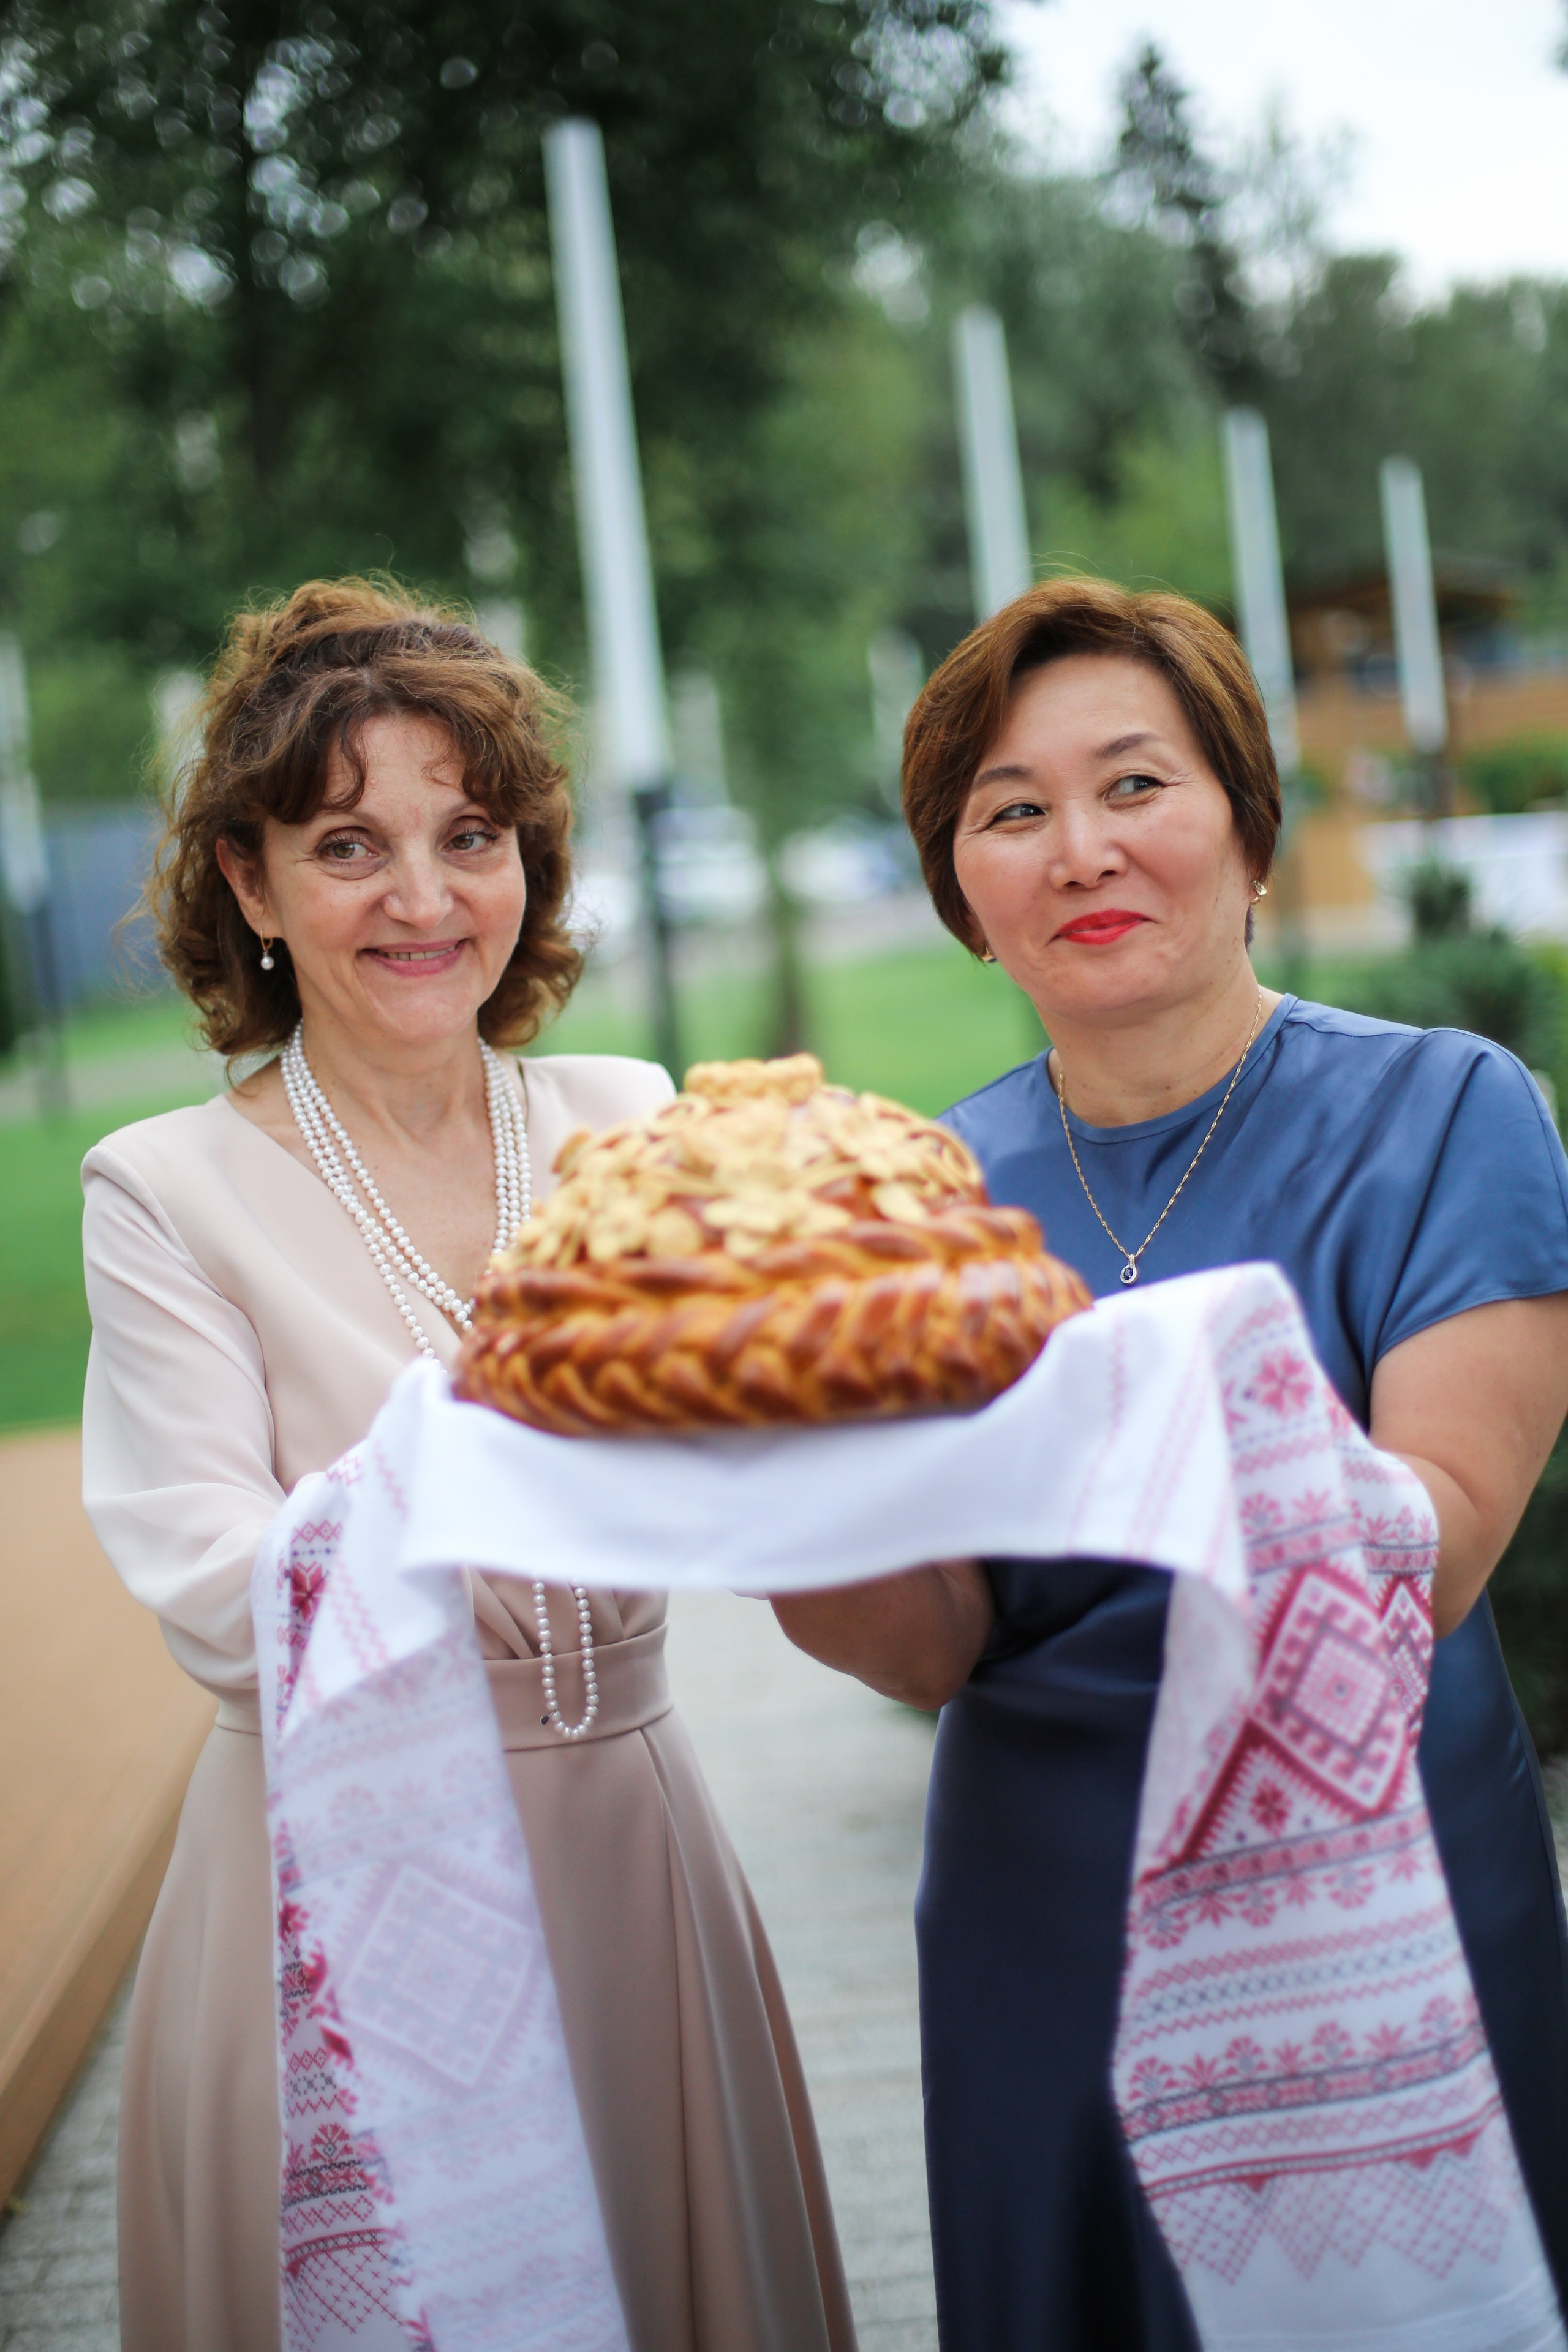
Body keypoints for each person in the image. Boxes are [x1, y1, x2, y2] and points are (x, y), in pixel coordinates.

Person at [773, 578, 1568, 2348]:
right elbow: (922, 1644)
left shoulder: (1452, 1113)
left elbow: (1424, 1554)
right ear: (963, 891)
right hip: (1039, 1900)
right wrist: (781, 1493)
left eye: (1137, 784)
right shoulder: (904, 1205)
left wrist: (1158, 1398)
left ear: (1247, 824)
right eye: (1012, 811)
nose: (1081, 850)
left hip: (1380, 1880)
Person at [83, 580, 854, 2352]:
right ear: (251, 886)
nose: (424, 899)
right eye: (349, 844)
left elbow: (754, 1460)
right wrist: (510, 1439)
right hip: (338, 1882)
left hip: (638, 1861)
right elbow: (216, 1589)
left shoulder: (633, 1115)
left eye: (472, 835)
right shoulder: (162, 1188)